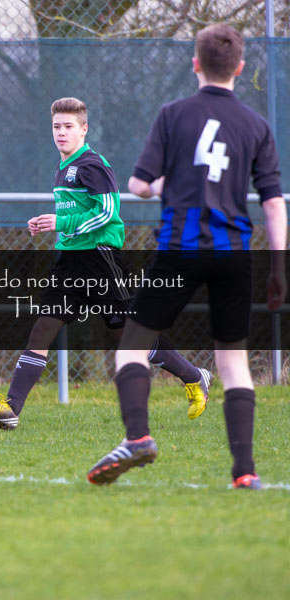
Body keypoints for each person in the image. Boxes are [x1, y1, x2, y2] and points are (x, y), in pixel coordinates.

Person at [87, 24, 286, 489]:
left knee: (132, 345)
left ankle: (138, 437)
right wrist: (279, 267)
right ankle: (245, 472)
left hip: (180, 246)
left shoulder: (173, 114)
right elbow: (274, 205)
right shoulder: (256, 125)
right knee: (232, 362)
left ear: (195, 64)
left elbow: (138, 185)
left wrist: (165, 185)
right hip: (234, 253)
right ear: (239, 68)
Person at [0, 97, 211, 431]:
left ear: (84, 129)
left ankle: (194, 376)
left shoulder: (92, 164)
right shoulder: (62, 166)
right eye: (56, 126)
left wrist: (61, 222)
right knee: (43, 328)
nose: (61, 132)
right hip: (70, 262)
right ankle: (11, 409)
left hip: (100, 259)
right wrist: (51, 223)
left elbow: (107, 213)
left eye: (68, 126)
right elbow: (76, 212)